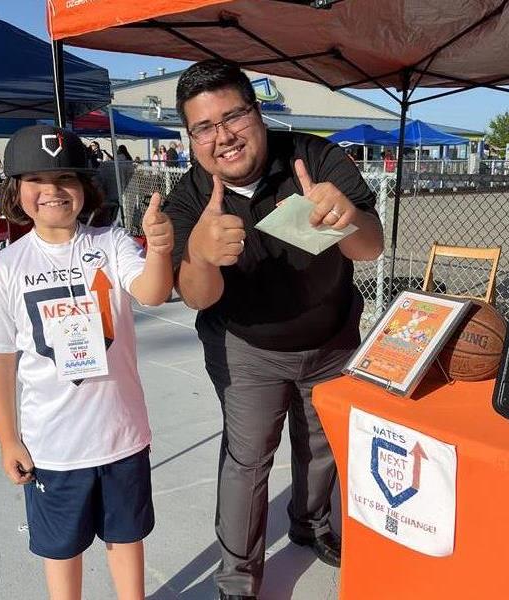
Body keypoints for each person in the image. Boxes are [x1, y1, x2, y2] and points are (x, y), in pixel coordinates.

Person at [163, 59, 384, 600]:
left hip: (331, 336)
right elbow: (195, 295)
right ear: (191, 138)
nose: (224, 136)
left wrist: (345, 218)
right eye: (204, 128)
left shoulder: (317, 157)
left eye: (233, 116)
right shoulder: (189, 197)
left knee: (321, 444)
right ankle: (238, 578)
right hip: (245, 347)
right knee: (248, 458)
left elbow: (372, 245)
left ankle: (311, 525)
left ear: (258, 113)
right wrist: (201, 254)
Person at [0, 124, 174, 600]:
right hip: (52, 448)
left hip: (122, 437)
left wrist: (159, 249)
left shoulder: (111, 244)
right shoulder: (5, 270)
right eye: (36, 180)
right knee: (61, 550)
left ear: (85, 188)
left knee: (126, 538)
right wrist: (7, 440)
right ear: (16, 191)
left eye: (66, 178)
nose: (52, 191)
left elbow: (154, 292)